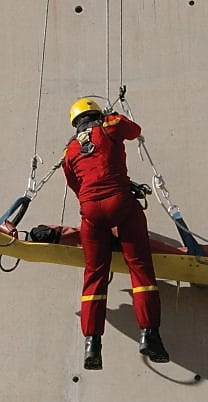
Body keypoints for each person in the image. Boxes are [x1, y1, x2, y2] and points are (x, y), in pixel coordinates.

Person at [63, 97, 170, 370]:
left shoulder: (70, 150)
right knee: (140, 267)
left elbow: (76, 185)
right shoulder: (110, 126)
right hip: (121, 203)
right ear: (97, 114)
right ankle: (150, 335)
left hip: (91, 212)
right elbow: (135, 131)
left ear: (75, 122)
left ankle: (92, 344)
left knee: (94, 276)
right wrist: (114, 115)